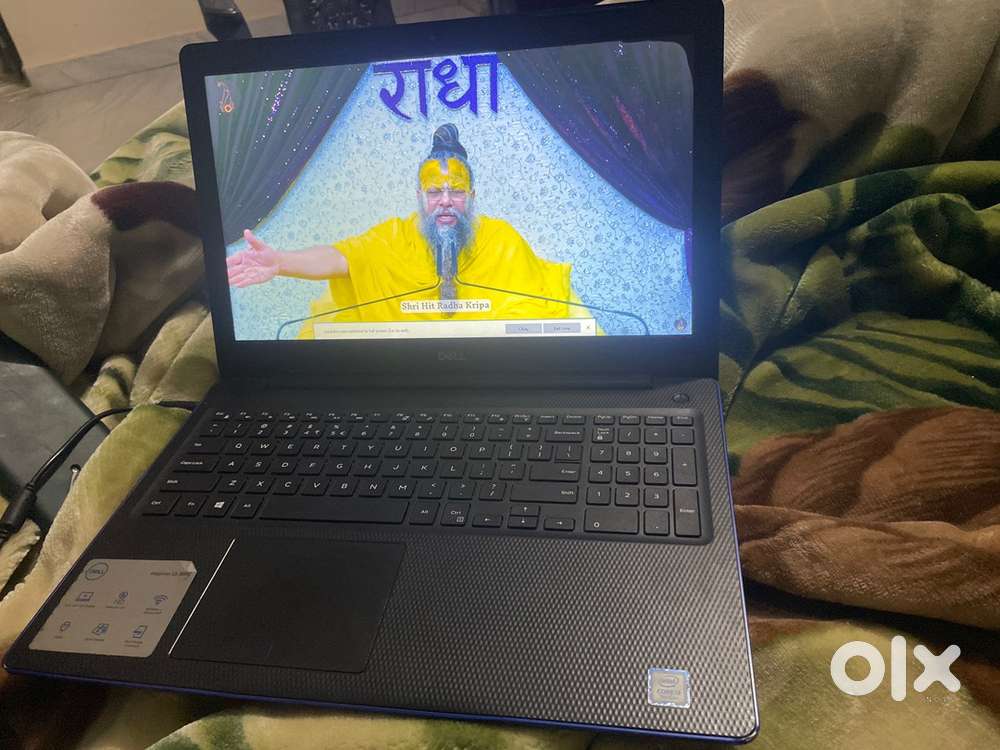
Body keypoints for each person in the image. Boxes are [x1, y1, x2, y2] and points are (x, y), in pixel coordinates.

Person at [226, 123, 588, 338]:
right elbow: (340, 258)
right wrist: (281, 262)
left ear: (472, 196)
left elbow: (528, 311)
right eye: (434, 192)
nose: (445, 201)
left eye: (456, 191)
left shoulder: (501, 239)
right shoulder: (393, 237)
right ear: (419, 196)